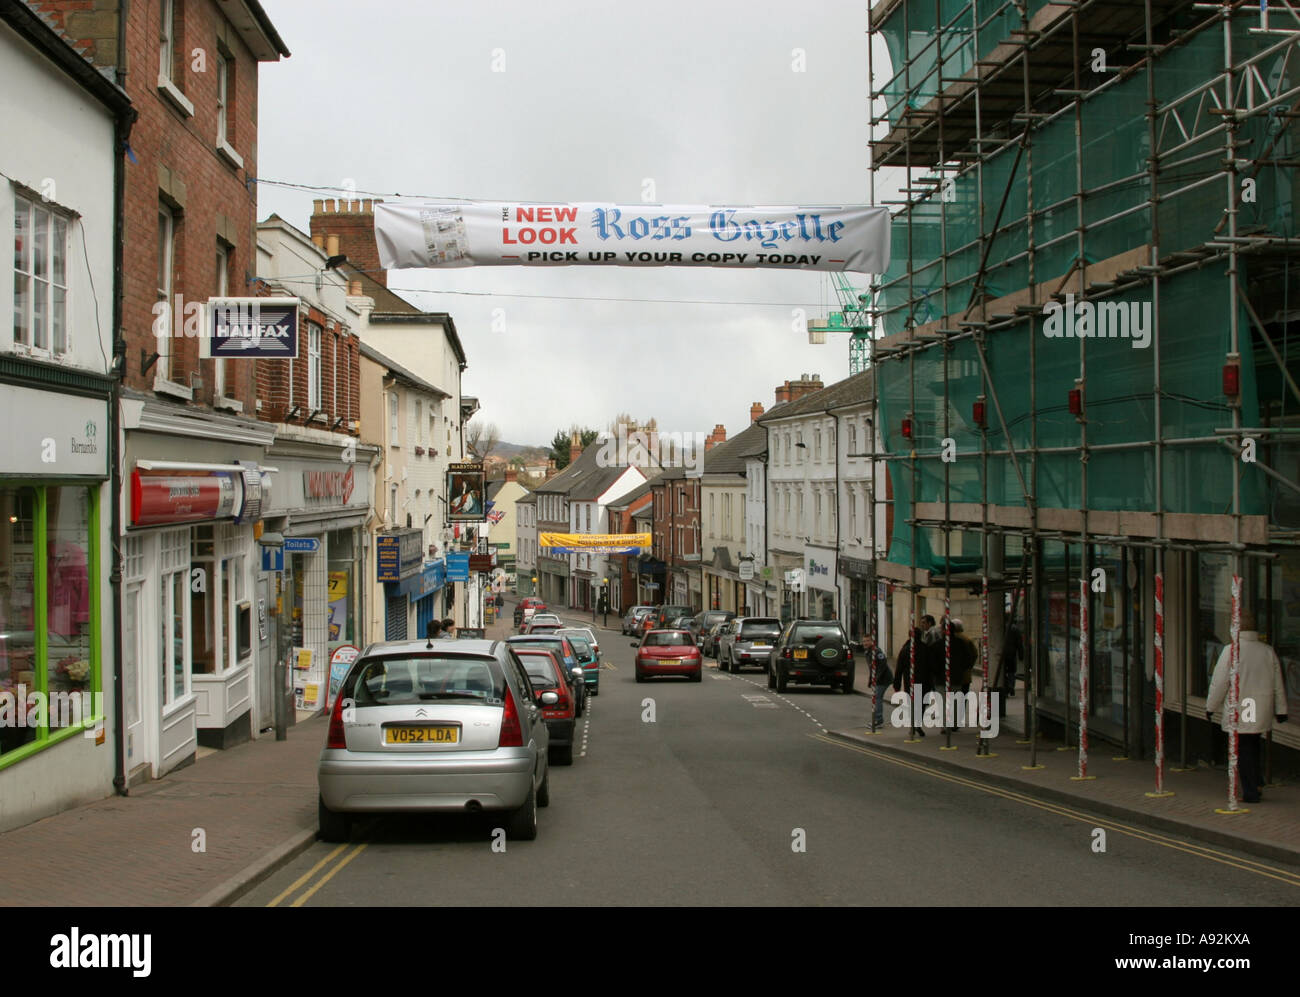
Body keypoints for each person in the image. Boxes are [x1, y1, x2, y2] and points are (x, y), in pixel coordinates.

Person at [1206, 610, 1288, 803]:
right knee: (1252, 743)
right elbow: (1278, 683)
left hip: (1243, 705)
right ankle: (1257, 782)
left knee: (1243, 748)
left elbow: (1219, 683)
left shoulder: (1231, 650)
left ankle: (1251, 791)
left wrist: (1211, 706)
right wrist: (1281, 709)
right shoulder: (1267, 651)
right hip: (1258, 705)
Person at [863, 635, 892, 729]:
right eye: (864, 641)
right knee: (876, 697)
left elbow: (883, 665)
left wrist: (876, 678)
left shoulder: (877, 651)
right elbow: (872, 668)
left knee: (877, 698)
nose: (865, 643)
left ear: (872, 641)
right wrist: (870, 680)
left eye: (867, 641)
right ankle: (877, 719)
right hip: (877, 679)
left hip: (884, 679)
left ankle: (878, 720)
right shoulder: (867, 652)